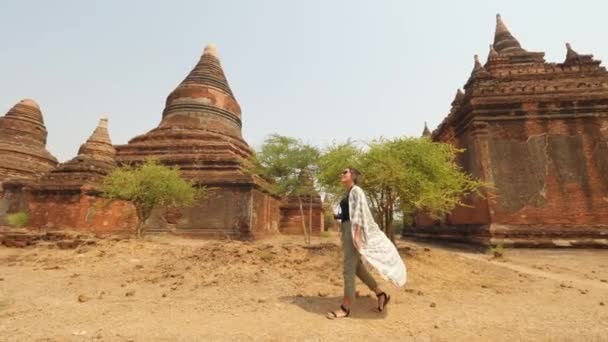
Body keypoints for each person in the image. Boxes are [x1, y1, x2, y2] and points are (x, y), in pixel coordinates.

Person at [326, 167, 407, 319]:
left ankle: (345, 308)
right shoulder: (348, 193)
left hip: (353, 231)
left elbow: (359, 215)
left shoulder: (356, 191)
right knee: (357, 267)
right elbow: (348, 214)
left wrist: (356, 236)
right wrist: (338, 217)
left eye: (345, 172)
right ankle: (381, 294)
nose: (341, 174)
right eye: (341, 172)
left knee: (348, 269)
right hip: (347, 230)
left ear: (353, 175)